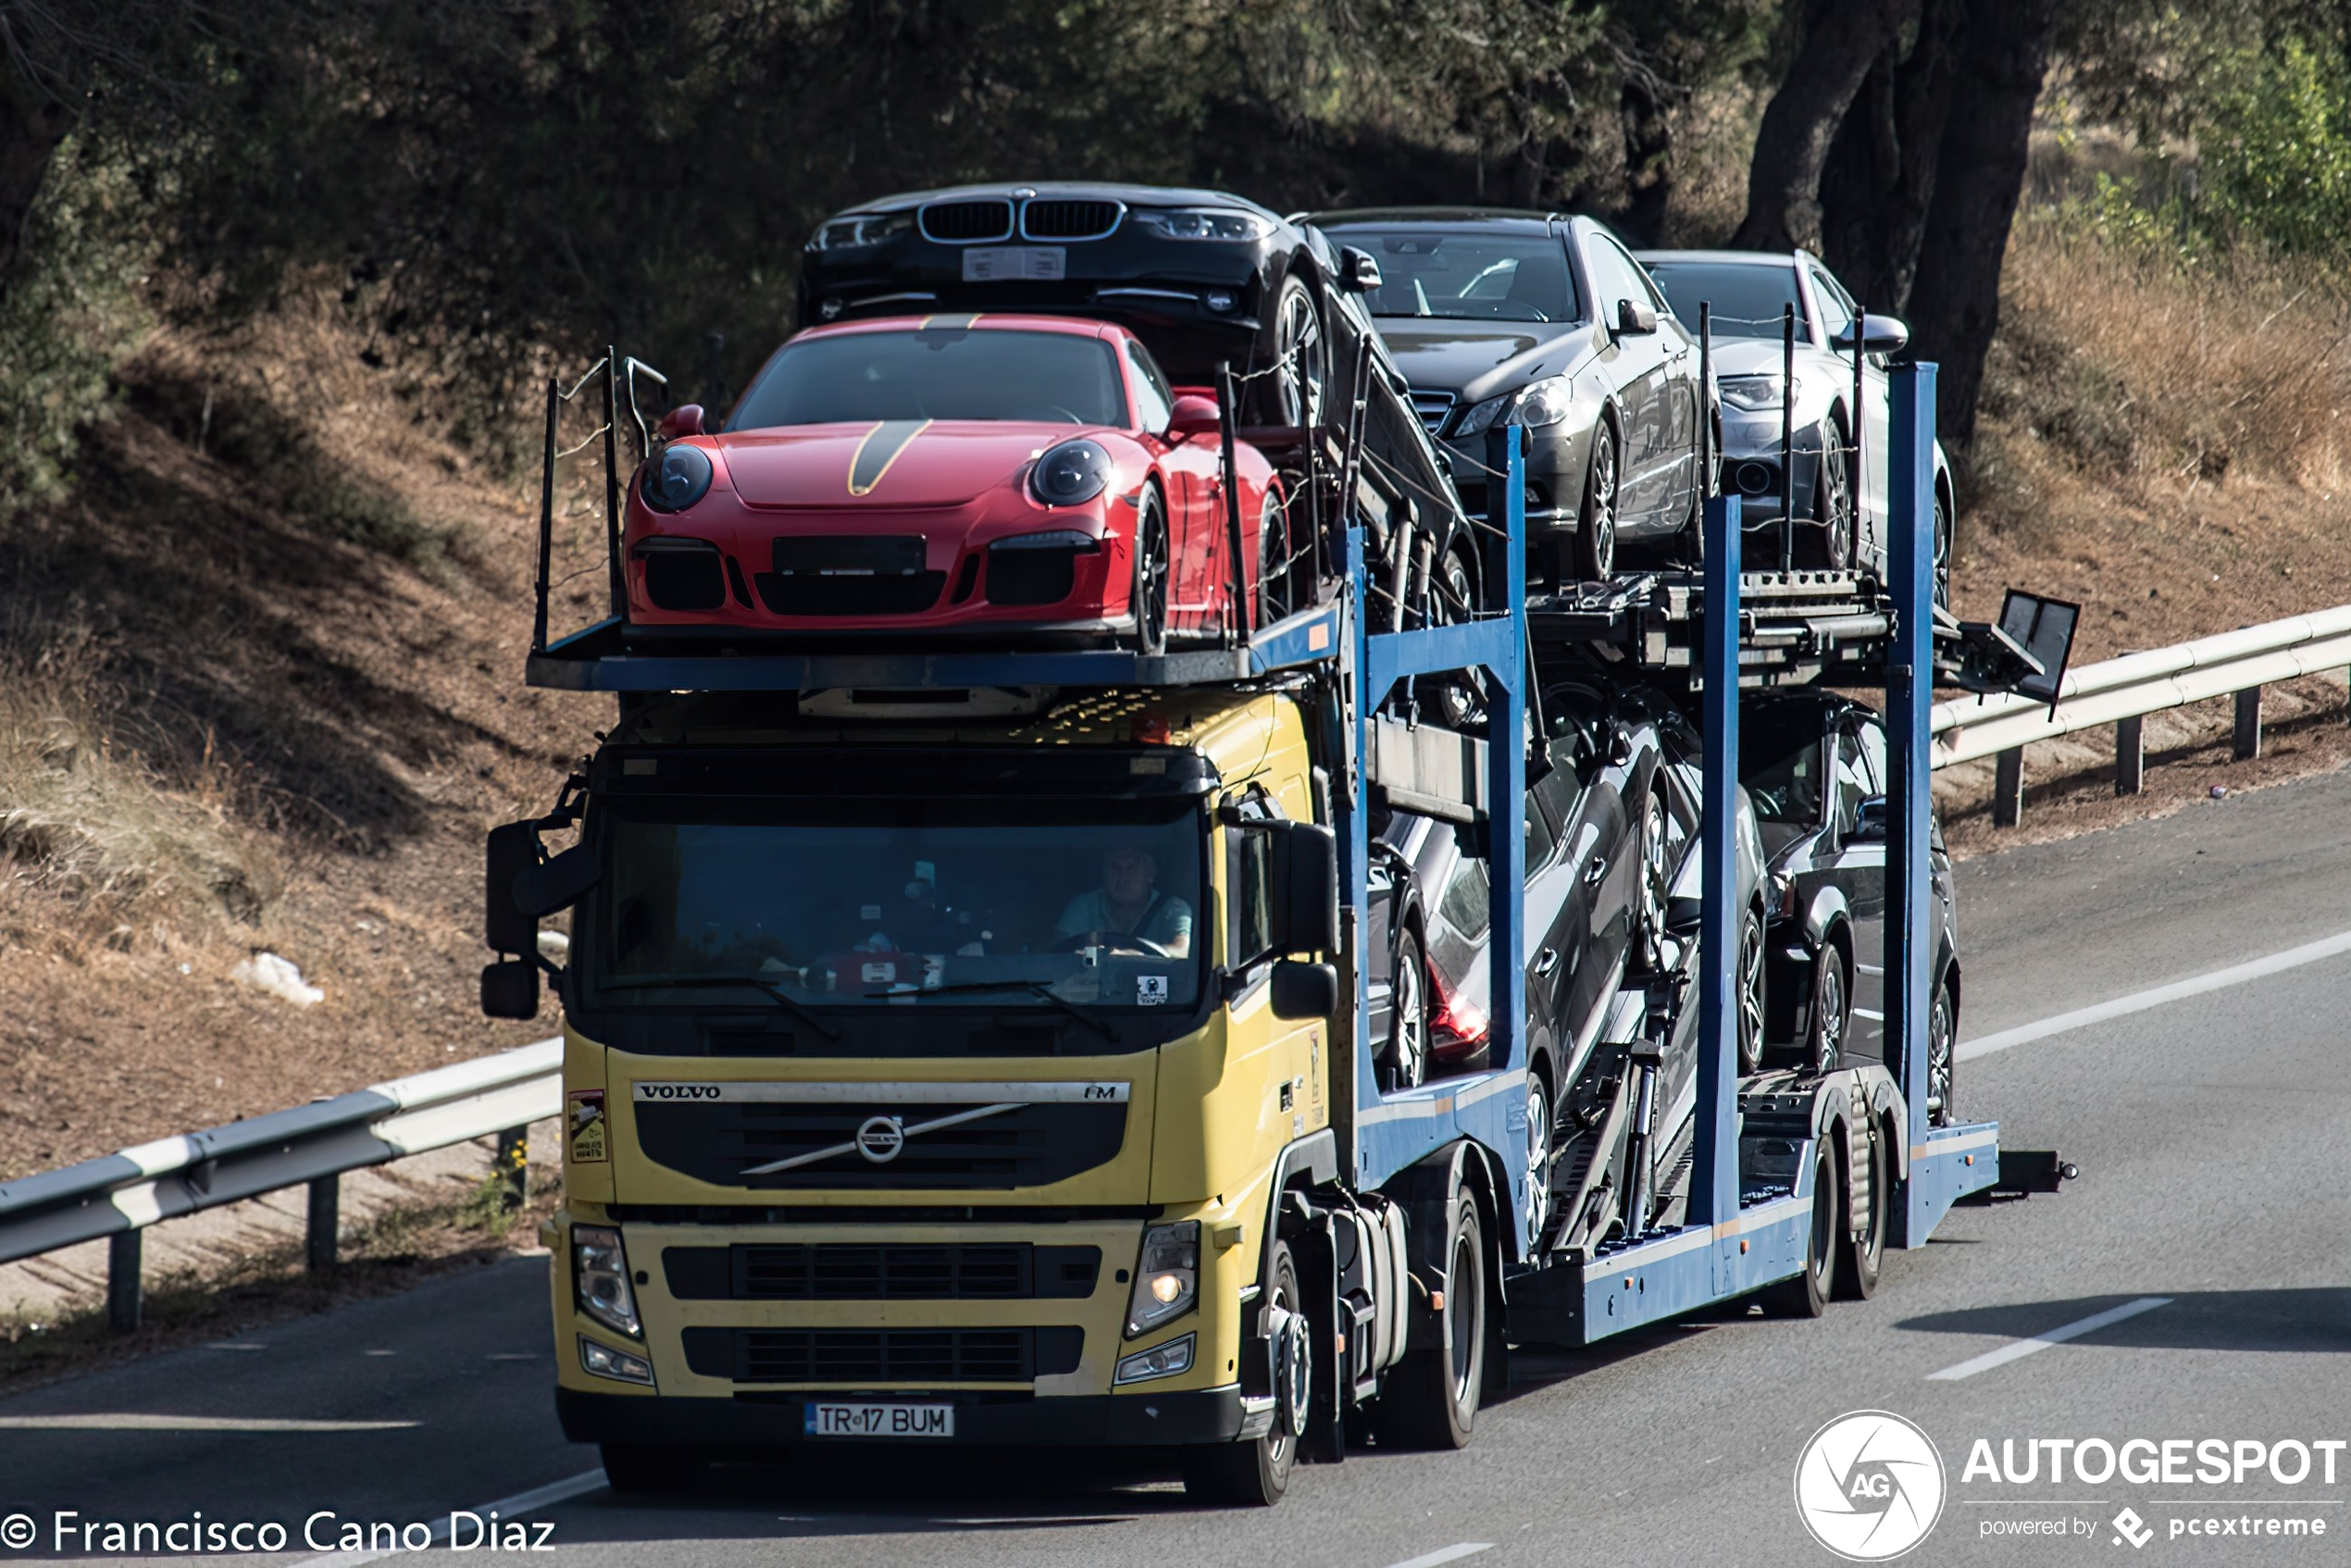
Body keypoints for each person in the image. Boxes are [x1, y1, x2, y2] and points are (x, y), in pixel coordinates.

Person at [1054, 843, 1192, 956]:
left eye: (1131, 868)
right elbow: (1058, 948)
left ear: (1150, 874)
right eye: (1115, 868)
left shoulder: (1172, 908)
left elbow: (1183, 950)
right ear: (1103, 874)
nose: (1122, 879)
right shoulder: (1086, 905)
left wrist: (1134, 955)